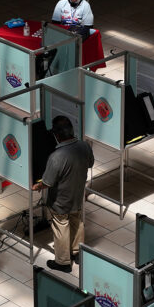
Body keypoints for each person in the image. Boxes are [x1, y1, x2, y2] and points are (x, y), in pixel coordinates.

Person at [31, 116, 94, 273]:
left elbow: (48, 182)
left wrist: (36, 186)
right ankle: (77, 253)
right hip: (78, 194)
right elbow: (91, 163)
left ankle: (63, 262)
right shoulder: (85, 146)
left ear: (57, 135)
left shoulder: (56, 156)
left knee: (61, 227)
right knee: (77, 222)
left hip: (60, 201)